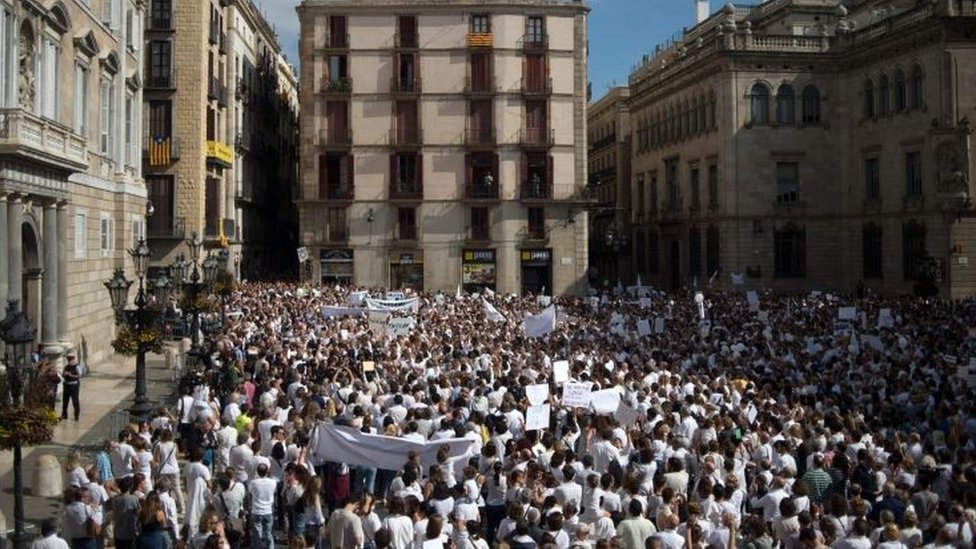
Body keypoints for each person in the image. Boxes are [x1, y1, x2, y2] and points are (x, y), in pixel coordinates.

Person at [248, 463, 278, 549]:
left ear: (257, 472)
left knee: (257, 536)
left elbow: (250, 492)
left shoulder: (254, 482)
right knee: (268, 533)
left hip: (256, 510)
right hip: (268, 510)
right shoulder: (273, 482)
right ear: (267, 471)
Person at [62, 353, 82, 420]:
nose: (69, 360)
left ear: (73, 358)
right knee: (65, 401)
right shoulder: (66, 366)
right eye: (68, 359)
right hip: (67, 384)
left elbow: (79, 376)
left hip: (74, 385)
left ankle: (76, 416)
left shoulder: (77, 366)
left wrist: (71, 375)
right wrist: (64, 374)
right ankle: (64, 415)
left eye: (70, 359)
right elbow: (63, 374)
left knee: (75, 401)